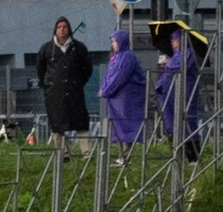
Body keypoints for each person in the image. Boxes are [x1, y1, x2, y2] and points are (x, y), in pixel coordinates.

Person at [34, 16, 92, 149]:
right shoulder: (47, 49)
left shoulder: (78, 48)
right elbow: (40, 69)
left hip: (75, 94)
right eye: (59, 27)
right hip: (55, 95)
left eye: (65, 27)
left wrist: (77, 83)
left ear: (69, 29)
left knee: (81, 123)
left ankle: (86, 153)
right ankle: (62, 153)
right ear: (55, 30)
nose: (62, 30)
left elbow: (87, 68)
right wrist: (49, 85)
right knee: (57, 125)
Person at [152, 21, 207, 160]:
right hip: (170, 94)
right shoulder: (174, 56)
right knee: (172, 123)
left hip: (184, 94)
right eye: (172, 40)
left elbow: (179, 67)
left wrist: (168, 65)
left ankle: (192, 156)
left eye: (176, 39)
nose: (174, 43)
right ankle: (178, 153)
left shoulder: (188, 53)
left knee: (187, 122)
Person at [99, 25, 145, 161]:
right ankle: (122, 154)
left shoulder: (127, 57)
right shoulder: (115, 58)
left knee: (126, 126)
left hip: (127, 99)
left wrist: (106, 90)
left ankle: (126, 154)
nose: (113, 45)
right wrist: (104, 88)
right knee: (118, 126)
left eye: (115, 41)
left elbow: (120, 77)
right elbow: (108, 75)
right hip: (116, 99)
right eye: (112, 42)